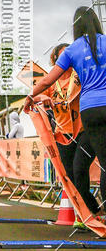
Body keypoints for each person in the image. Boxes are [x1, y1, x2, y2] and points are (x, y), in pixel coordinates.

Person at [24, 7, 106, 222]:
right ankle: (97, 212)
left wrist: (30, 96)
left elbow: (46, 80)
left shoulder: (73, 51)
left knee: (89, 165)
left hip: (89, 114)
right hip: (93, 113)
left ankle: (97, 213)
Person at [34, 43, 97, 221]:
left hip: (84, 131)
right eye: (63, 57)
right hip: (62, 134)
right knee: (70, 178)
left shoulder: (81, 75)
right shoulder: (50, 81)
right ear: (55, 60)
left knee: (79, 171)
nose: (68, 60)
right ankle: (84, 216)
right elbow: (34, 96)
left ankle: (95, 212)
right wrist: (42, 97)